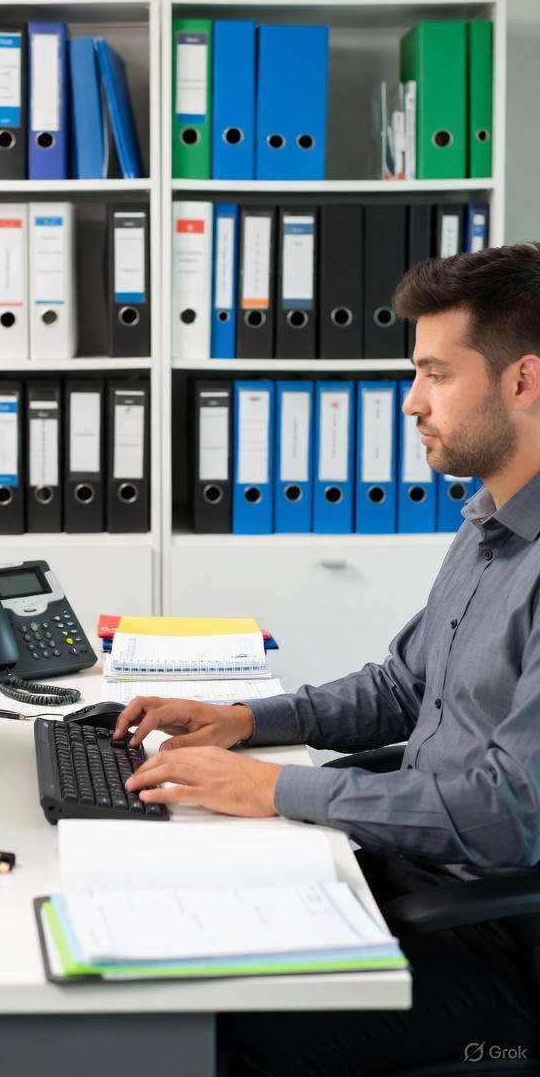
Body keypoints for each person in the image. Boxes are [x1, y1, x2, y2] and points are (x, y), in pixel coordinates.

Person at [114, 243, 540, 1075]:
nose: (410, 401)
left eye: (435, 375)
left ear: (523, 382)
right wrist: (245, 722)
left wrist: (278, 788)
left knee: (202, 1028)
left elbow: (508, 815)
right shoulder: (490, 520)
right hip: (400, 879)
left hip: (491, 955)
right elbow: (402, 687)